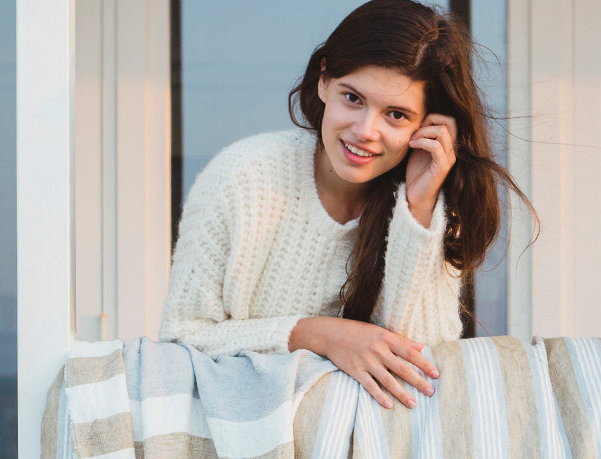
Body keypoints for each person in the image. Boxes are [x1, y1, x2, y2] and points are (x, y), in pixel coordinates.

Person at [159, 0, 534, 409]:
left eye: (396, 114)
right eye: (353, 98)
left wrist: (418, 208)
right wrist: (318, 335)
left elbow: (420, 370)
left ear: (428, 125)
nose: (365, 131)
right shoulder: (243, 179)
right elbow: (181, 340)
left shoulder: (431, 211)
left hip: (370, 442)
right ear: (324, 81)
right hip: (244, 435)